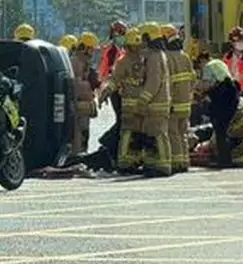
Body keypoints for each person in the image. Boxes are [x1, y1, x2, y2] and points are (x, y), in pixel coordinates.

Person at [98, 27, 145, 173]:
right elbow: (114, 80)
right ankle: (123, 160)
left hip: (139, 102)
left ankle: (132, 159)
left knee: (134, 131)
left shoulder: (143, 59)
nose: (138, 49)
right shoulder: (124, 60)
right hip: (128, 101)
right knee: (126, 130)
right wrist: (105, 93)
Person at [136, 23, 172, 177]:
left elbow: (153, 82)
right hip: (158, 102)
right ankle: (153, 164)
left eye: (143, 38)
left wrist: (142, 100)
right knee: (153, 135)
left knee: (158, 134)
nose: (141, 42)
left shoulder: (153, 57)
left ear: (148, 38)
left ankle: (163, 165)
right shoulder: (158, 54)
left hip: (157, 103)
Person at [162, 25, 193, 174]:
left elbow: (168, 83)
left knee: (172, 132)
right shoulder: (184, 56)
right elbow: (192, 79)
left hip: (173, 103)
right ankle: (185, 161)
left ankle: (177, 162)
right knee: (183, 133)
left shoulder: (167, 58)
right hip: (186, 103)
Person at [70, 32, 98, 154]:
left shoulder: (83, 62)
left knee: (84, 133)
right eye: (91, 49)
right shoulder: (76, 62)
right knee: (78, 133)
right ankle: (77, 156)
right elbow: (77, 86)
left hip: (83, 107)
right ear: (84, 47)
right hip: (78, 106)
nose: (92, 53)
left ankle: (81, 153)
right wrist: (89, 89)